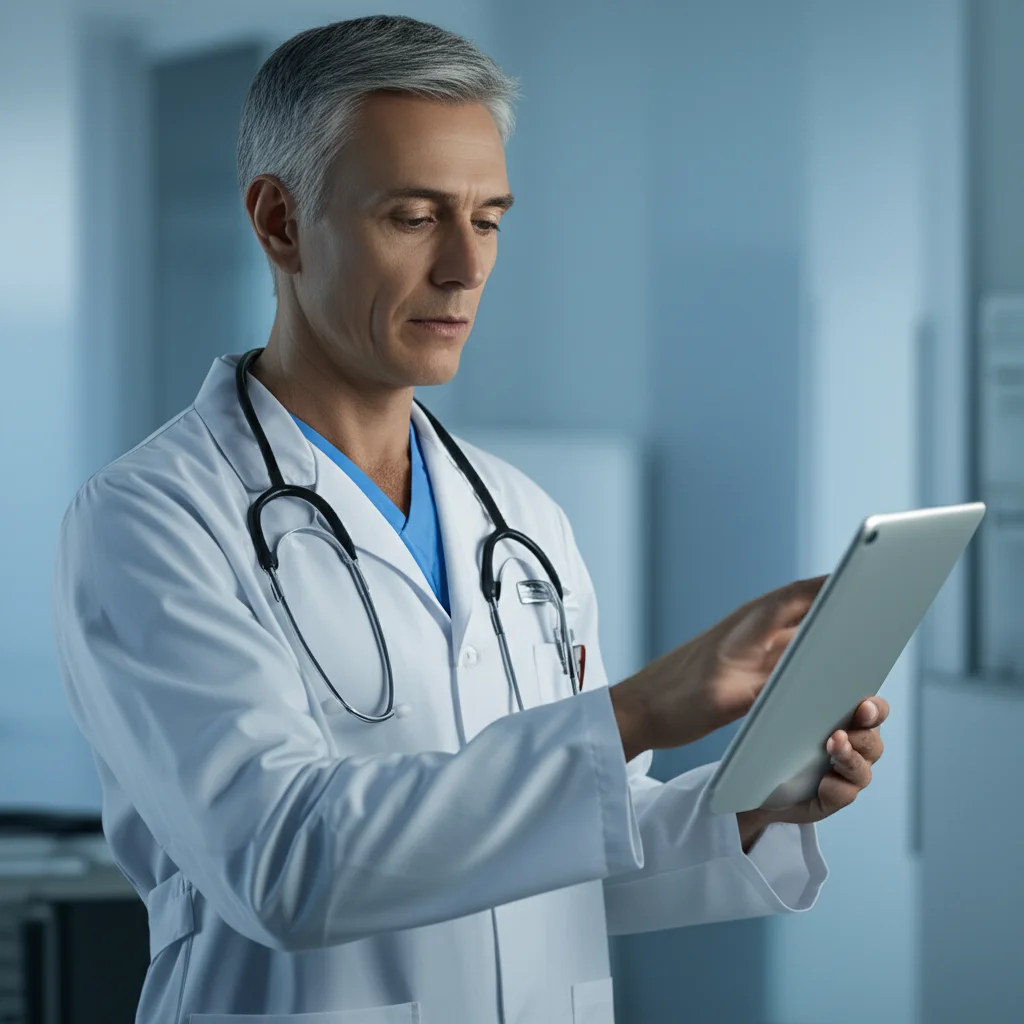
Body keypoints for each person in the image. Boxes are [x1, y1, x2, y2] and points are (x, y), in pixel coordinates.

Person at [51, 14, 888, 1024]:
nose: (465, 267)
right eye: (413, 216)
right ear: (278, 220)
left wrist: (753, 804)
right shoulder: (154, 518)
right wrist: (635, 712)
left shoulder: (520, 521)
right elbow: (283, 863)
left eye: (487, 218)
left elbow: (572, 843)